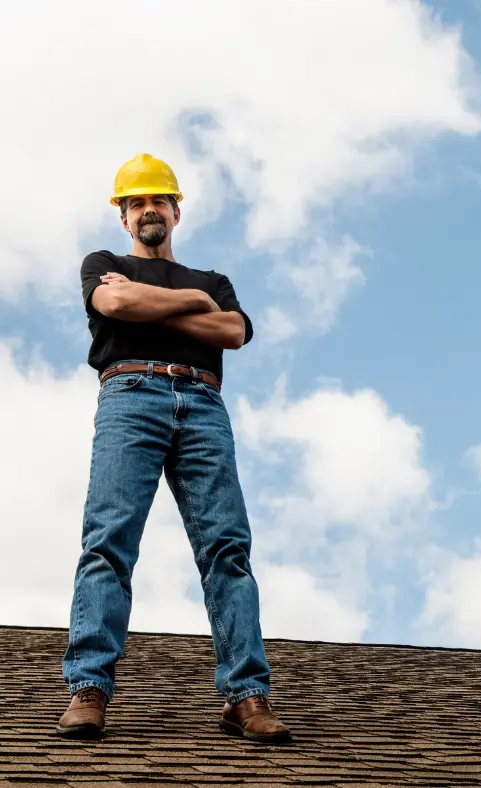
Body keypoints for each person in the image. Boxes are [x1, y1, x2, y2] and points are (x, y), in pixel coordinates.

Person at [56, 153, 291, 744]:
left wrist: (156, 303)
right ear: (124, 217)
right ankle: (88, 690)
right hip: (130, 394)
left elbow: (233, 332)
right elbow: (113, 306)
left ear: (176, 210)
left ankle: (247, 698)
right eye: (136, 203)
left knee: (227, 550)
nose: (148, 210)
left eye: (157, 200)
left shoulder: (213, 280)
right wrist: (193, 307)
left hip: (203, 402)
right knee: (108, 542)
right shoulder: (104, 266)